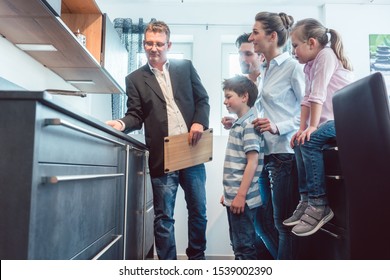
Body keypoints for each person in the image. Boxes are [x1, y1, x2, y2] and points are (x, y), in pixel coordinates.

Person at [106, 20, 210, 260]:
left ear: (168, 45)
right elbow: (136, 115)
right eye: (149, 43)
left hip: (192, 150)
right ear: (144, 44)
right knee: (164, 217)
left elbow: (203, 100)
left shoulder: (186, 68)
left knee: (199, 211)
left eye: (159, 44)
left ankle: (197, 258)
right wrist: (121, 123)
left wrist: (199, 123)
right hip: (163, 155)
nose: (154, 48)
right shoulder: (135, 79)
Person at [282, 18, 353, 236]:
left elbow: (319, 93)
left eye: (295, 46)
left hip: (344, 120)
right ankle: (306, 200)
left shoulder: (326, 56)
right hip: (329, 122)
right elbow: (306, 99)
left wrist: (311, 127)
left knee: (309, 140)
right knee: (299, 142)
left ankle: (319, 205)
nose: (293, 51)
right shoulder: (309, 66)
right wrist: (301, 129)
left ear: (311, 43)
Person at [249, 11, 305, 259]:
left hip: (284, 154)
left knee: (282, 225)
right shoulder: (266, 69)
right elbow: (266, 109)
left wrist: (277, 126)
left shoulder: (293, 67)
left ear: (272, 36)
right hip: (266, 154)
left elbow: (309, 113)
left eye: (256, 32)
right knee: (263, 223)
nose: (251, 37)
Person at [220, 75, 264, 260]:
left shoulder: (249, 125)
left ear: (244, 97)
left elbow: (252, 162)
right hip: (235, 197)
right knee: (238, 244)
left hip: (243, 200)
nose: (225, 101)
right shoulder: (239, 124)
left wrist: (240, 195)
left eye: (229, 96)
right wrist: (230, 194)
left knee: (244, 248)